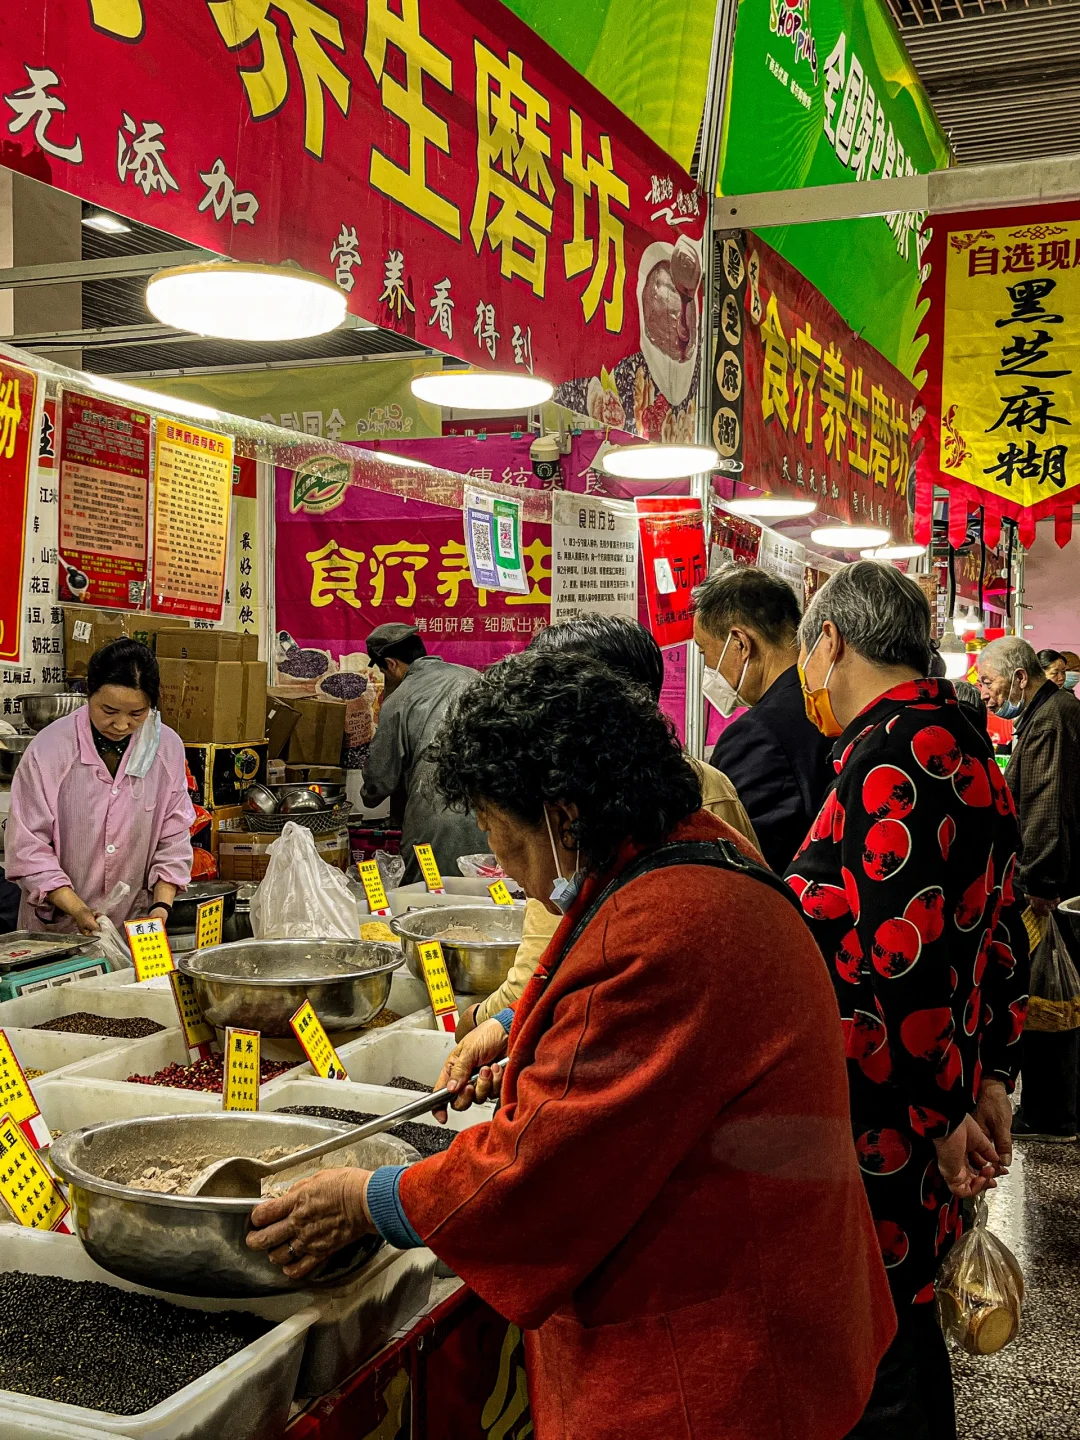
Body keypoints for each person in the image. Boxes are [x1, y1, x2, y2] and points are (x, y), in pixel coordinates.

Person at [249, 650, 896, 1440]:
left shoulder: (667, 929)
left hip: (711, 1364)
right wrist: (532, 1039)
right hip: (779, 1305)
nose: (518, 879)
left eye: (503, 839)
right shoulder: (697, 851)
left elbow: (533, 1176)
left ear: (562, 816)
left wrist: (368, 1197)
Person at [786, 562, 1028, 1440]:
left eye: (807, 656)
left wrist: (941, 1118)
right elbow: (1001, 935)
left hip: (884, 1117)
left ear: (832, 644)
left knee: (881, 1336)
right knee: (895, 1324)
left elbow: (905, 965)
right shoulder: (952, 737)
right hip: (922, 1095)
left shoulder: (900, 755)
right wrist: (990, 1076)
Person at [455, 614, 760, 1039]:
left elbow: (560, 988)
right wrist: (506, 1024)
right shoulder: (690, 796)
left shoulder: (633, 875)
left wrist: (469, 1023)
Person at [5, 640, 193, 934]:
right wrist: (77, 909)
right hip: (61, 928)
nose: (120, 724)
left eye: (136, 714)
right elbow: (29, 847)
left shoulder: (166, 748)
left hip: (135, 926)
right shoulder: (51, 748)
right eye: (109, 710)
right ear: (89, 694)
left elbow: (174, 838)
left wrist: (161, 907)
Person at [978, 635, 1080, 1140]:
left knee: (1046, 994)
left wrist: (1038, 881)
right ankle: (1050, 1108)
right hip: (1050, 878)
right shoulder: (1046, 714)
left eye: (990, 682)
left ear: (1020, 677)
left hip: (1047, 885)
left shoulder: (1051, 718)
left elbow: (1046, 801)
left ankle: (1051, 1112)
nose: (986, 694)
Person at [693, 566, 833, 873]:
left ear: (741, 643)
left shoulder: (757, 735)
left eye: (705, 653)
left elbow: (737, 860)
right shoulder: (827, 699)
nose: (708, 668)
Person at [361, 623, 485, 885]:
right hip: (492, 820)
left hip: (436, 824)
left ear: (391, 664)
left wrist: (368, 796)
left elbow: (380, 778)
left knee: (429, 907)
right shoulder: (475, 678)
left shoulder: (399, 699)